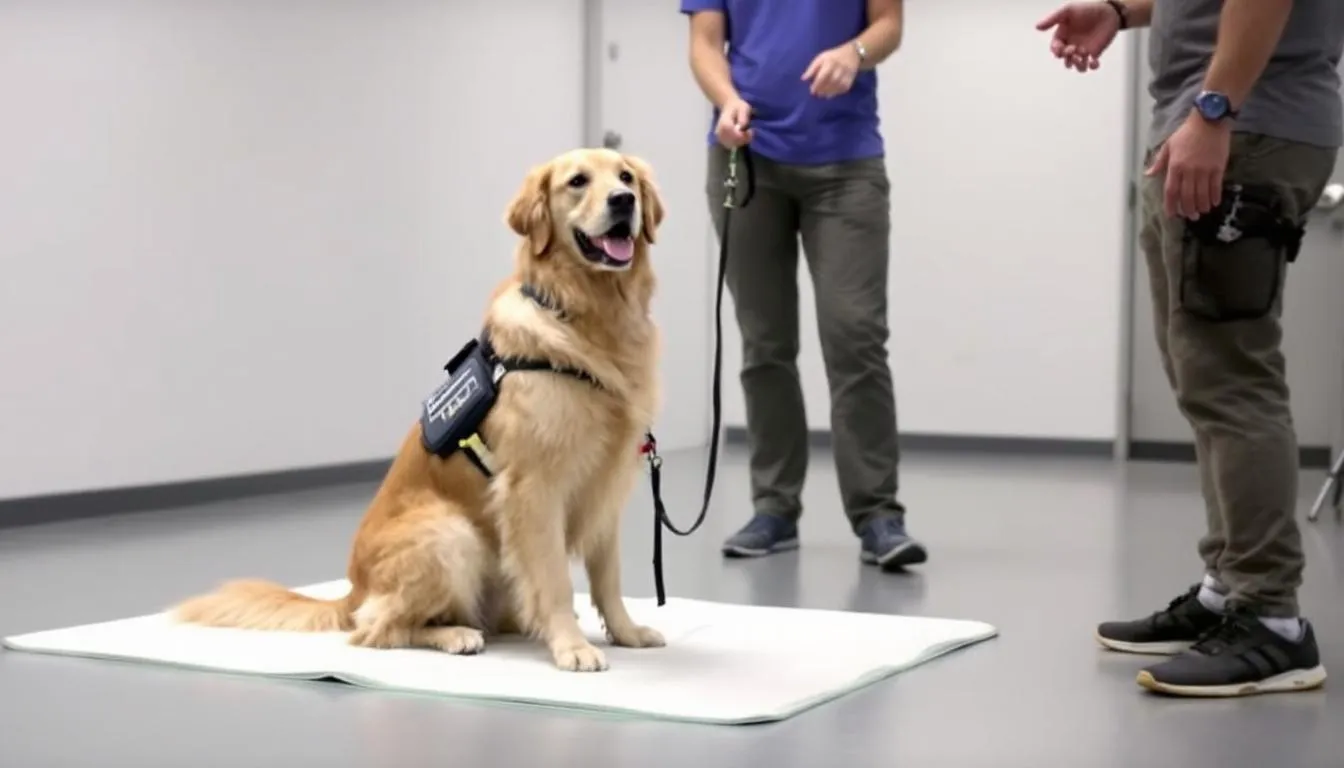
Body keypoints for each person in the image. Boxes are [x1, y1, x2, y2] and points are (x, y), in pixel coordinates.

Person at [1038, 0, 1343, 697]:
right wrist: (1121, 11)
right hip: (1215, 123)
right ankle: (1227, 589)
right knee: (1202, 377)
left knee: (1232, 379)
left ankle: (1271, 618)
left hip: (1245, 126)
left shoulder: (1227, 114)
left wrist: (1214, 109)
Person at [680, 0, 927, 570]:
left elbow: (888, 25)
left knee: (855, 339)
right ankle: (773, 509)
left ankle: (878, 515)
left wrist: (854, 52)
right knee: (764, 343)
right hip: (746, 157)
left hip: (846, 167)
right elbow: (704, 44)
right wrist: (726, 99)